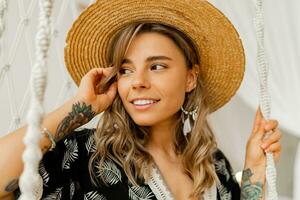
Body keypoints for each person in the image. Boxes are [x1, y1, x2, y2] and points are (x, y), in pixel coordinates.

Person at [0, 0, 282, 199]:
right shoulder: (86, 155)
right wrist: (77, 108)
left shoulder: (212, 164)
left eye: (157, 66)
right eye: (125, 70)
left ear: (190, 78)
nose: (137, 82)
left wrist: (255, 167)